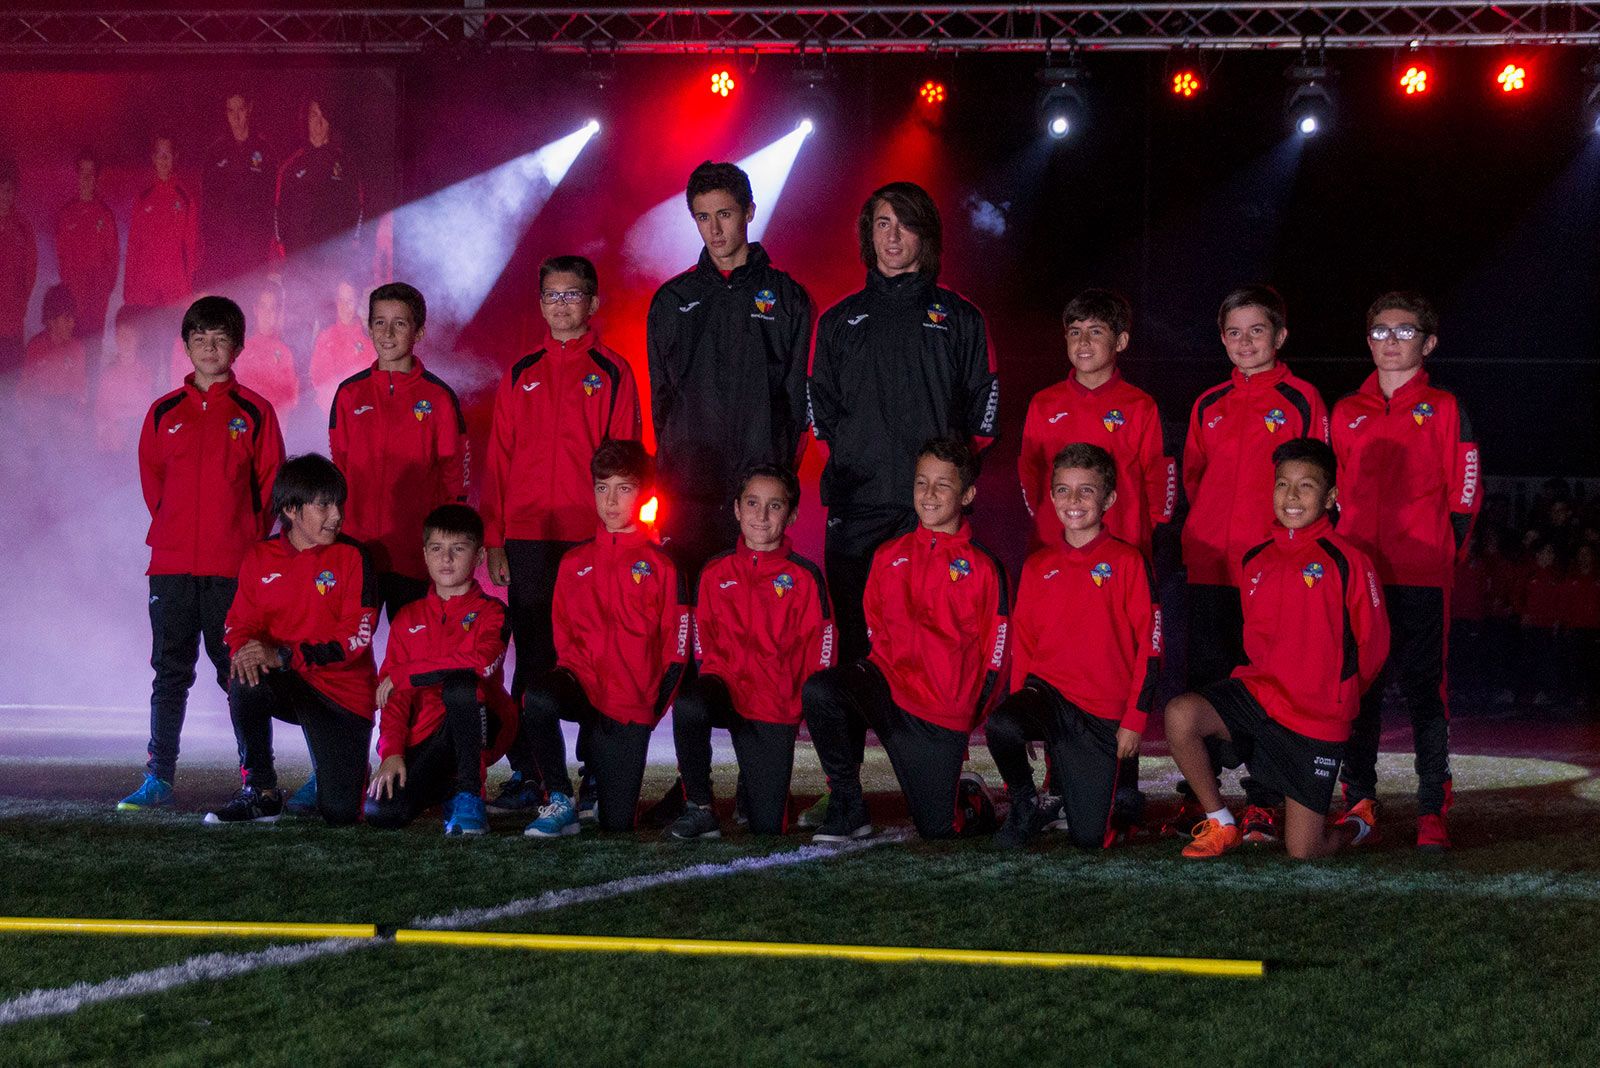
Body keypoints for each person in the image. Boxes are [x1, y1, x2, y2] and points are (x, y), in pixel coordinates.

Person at [1165, 439, 1389, 859]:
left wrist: (1338, 697)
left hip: (1315, 715)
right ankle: (1222, 823)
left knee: (1305, 849)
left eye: (1306, 486)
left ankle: (1359, 827)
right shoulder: (1255, 559)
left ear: (1331, 497)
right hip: (1261, 696)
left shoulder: (1349, 561)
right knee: (1181, 715)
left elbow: (1374, 644)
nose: (1291, 496)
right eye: (1282, 484)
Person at [808, 182, 1000, 668]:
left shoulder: (961, 318)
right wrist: (856, 457)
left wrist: (948, 483)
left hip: (931, 510)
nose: (893, 237)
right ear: (868, 235)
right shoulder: (837, 321)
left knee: (932, 638)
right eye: (882, 223)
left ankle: (925, 741)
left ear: (926, 235)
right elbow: (819, 412)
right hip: (857, 503)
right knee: (855, 639)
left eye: (906, 224)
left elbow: (985, 414)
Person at [481, 255, 640, 814]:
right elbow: (498, 459)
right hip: (527, 538)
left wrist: (616, 538)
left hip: (589, 540)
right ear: (540, 304)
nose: (561, 304)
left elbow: (624, 464)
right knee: (533, 657)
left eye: (572, 295)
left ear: (592, 304)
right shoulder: (520, 371)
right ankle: (532, 775)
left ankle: (595, 772)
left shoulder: (613, 371)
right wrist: (495, 537)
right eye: (551, 295)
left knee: (595, 656)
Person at [118, 296, 285, 810]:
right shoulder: (163, 411)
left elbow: (270, 488)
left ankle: (258, 779)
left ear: (237, 346)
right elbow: (154, 486)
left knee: (238, 671)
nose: (210, 348)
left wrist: (239, 542)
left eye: (220, 339)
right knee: (169, 672)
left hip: (231, 568)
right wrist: (173, 529)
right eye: (199, 339)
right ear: (186, 346)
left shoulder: (255, 412)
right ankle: (158, 777)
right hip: (169, 566)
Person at [1175, 285, 1328, 842]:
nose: (1244, 342)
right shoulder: (1207, 402)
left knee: (1269, 686)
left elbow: (1313, 482)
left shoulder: (1302, 397)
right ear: (1222, 339)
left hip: (1271, 571)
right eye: (1233, 332)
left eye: (1256, 330)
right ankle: (1203, 798)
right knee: (1206, 685)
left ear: (1280, 336)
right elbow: (1195, 479)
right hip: (1208, 566)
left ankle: (1264, 800)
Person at [802, 437, 1007, 842]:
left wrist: (966, 720)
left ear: (967, 494)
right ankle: (847, 803)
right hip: (887, 690)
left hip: (939, 716)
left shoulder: (985, 568)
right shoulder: (887, 554)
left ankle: (971, 797)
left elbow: (996, 657)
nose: (928, 495)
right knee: (822, 690)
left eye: (942, 485)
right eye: (921, 482)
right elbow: (873, 625)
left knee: (938, 831)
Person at [1332, 292, 1479, 849]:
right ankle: (1359, 799)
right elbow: (1332, 491)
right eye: (1380, 331)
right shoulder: (1344, 411)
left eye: (1404, 331)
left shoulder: (1444, 406)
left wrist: (1441, 554)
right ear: (1367, 339)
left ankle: (1430, 808)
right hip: (1357, 576)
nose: (1390, 341)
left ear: (1428, 342)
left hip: (1420, 574)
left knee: (1423, 689)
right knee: (1357, 690)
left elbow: (1466, 492)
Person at [989, 443, 1160, 850]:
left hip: (1102, 714)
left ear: (1109, 499)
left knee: (1089, 838)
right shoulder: (1038, 565)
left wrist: (1134, 719)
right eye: (1063, 490)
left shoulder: (1128, 561)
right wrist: (1019, 705)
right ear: (1050, 496)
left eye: (1087, 490)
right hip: (1049, 697)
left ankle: (1092, 793)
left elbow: (1150, 648)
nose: (1074, 501)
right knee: (1002, 725)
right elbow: (1024, 644)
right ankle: (1026, 803)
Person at [646, 161, 811, 577]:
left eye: (725, 214)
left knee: (754, 621)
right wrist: (674, 467)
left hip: (758, 493)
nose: (715, 230)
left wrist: (777, 475)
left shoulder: (788, 298)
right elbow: (660, 400)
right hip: (688, 492)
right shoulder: (671, 300)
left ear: (749, 211)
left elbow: (798, 401)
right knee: (688, 614)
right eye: (703, 217)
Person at [518, 440, 690, 837]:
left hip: (630, 705)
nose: (610, 500)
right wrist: (578, 677)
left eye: (623, 488)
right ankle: (560, 799)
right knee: (538, 696)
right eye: (602, 487)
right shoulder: (574, 561)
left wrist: (650, 711)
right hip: (583, 689)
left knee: (616, 824)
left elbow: (676, 651)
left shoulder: (663, 566)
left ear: (644, 494)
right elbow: (562, 634)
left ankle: (599, 786)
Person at [665, 463, 834, 840]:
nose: (761, 515)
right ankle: (700, 806)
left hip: (775, 706)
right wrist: (715, 675)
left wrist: (794, 705)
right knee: (690, 703)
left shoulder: (805, 578)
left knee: (767, 828)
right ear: (738, 509)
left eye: (774, 506)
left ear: (791, 515)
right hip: (726, 692)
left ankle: (759, 788)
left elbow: (822, 651)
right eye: (753, 503)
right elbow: (701, 641)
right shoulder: (713, 571)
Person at [207, 453, 378, 825]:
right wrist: (244, 650)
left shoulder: (355, 557)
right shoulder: (259, 556)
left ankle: (349, 767)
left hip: (341, 693)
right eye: (323, 505)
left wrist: (284, 655)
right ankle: (262, 792)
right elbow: (238, 624)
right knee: (244, 673)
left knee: (340, 814)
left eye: (338, 504)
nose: (336, 515)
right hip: (287, 681)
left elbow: (356, 640)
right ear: (290, 509)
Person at [365, 504, 518, 835]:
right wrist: (391, 752)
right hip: (426, 735)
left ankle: (469, 794)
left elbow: (479, 663)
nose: (446, 559)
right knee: (381, 811)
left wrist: (409, 674)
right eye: (437, 549)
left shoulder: (494, 612)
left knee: (461, 686)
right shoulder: (408, 618)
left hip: (482, 723)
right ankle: (447, 788)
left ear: (478, 557)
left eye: (458, 549)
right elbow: (394, 697)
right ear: (424, 554)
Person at [329, 282, 468, 620]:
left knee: (414, 660)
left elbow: (453, 479)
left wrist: (442, 547)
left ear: (418, 331)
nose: (387, 333)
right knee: (347, 659)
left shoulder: (439, 398)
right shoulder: (349, 395)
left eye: (400, 323)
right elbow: (339, 471)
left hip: (415, 556)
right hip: (358, 552)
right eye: (379, 322)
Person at [1018, 290, 1172, 556]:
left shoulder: (1139, 405)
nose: (1084, 342)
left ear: (1121, 341)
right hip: (1056, 541)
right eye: (1075, 332)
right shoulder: (1044, 403)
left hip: (1123, 540)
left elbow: (1158, 473)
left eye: (1096, 332)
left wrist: (1143, 527)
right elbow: (1029, 470)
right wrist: (1045, 518)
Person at [199, 91, 276, 285]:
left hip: (253, 250)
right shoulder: (216, 152)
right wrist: (212, 246)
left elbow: (270, 202)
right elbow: (208, 204)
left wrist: (262, 243)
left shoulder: (264, 150)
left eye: (240, 109)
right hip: (223, 249)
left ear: (249, 109)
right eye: (230, 111)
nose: (236, 116)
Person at [123, 136, 199, 316]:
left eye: (168, 154)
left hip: (174, 293)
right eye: (159, 154)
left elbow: (191, 249)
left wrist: (186, 290)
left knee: (173, 341)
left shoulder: (185, 199)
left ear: (175, 157)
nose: (163, 160)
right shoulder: (143, 199)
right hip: (146, 292)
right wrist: (129, 291)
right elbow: (134, 246)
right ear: (153, 158)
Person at [54, 149, 119, 361]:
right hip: (73, 302)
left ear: (96, 178)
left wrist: (102, 290)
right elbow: (61, 256)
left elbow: (113, 258)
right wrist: (70, 291)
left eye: (91, 173)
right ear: (76, 176)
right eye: (82, 172)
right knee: (71, 354)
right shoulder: (67, 214)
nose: (86, 178)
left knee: (92, 354)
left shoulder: (104, 214)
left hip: (96, 303)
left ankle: (93, 394)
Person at [18, 284, 88, 437]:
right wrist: (32, 414)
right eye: (67, 319)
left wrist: (77, 416)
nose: (72, 324)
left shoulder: (77, 348)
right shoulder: (36, 347)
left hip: (66, 407)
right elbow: (25, 388)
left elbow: (81, 390)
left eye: (73, 318)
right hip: (42, 407)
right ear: (52, 320)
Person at [232, 281, 300, 417]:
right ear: (255, 310)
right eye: (263, 307)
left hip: (275, 425)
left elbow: (292, 398)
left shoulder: (285, 352)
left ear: (278, 312)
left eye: (272, 308)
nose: (267, 314)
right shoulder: (241, 349)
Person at [0, 156, 36, 392]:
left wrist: (19, 305)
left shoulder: (22, 227)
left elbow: (29, 272)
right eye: (0, 190)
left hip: (11, 324)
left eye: (9, 191)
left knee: (10, 384)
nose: (4, 196)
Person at [94, 307, 151, 455]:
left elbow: (147, 413)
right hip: (114, 444)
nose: (125, 341)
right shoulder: (108, 375)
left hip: (137, 441)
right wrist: (107, 431)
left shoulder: (145, 372)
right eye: (121, 334)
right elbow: (100, 415)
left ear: (138, 338)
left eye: (130, 335)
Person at [309, 279, 371, 414]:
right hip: (329, 417)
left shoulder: (369, 342)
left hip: (359, 417)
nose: (344, 306)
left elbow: (372, 386)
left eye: (350, 301)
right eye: (341, 300)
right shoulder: (325, 338)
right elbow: (317, 379)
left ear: (357, 302)